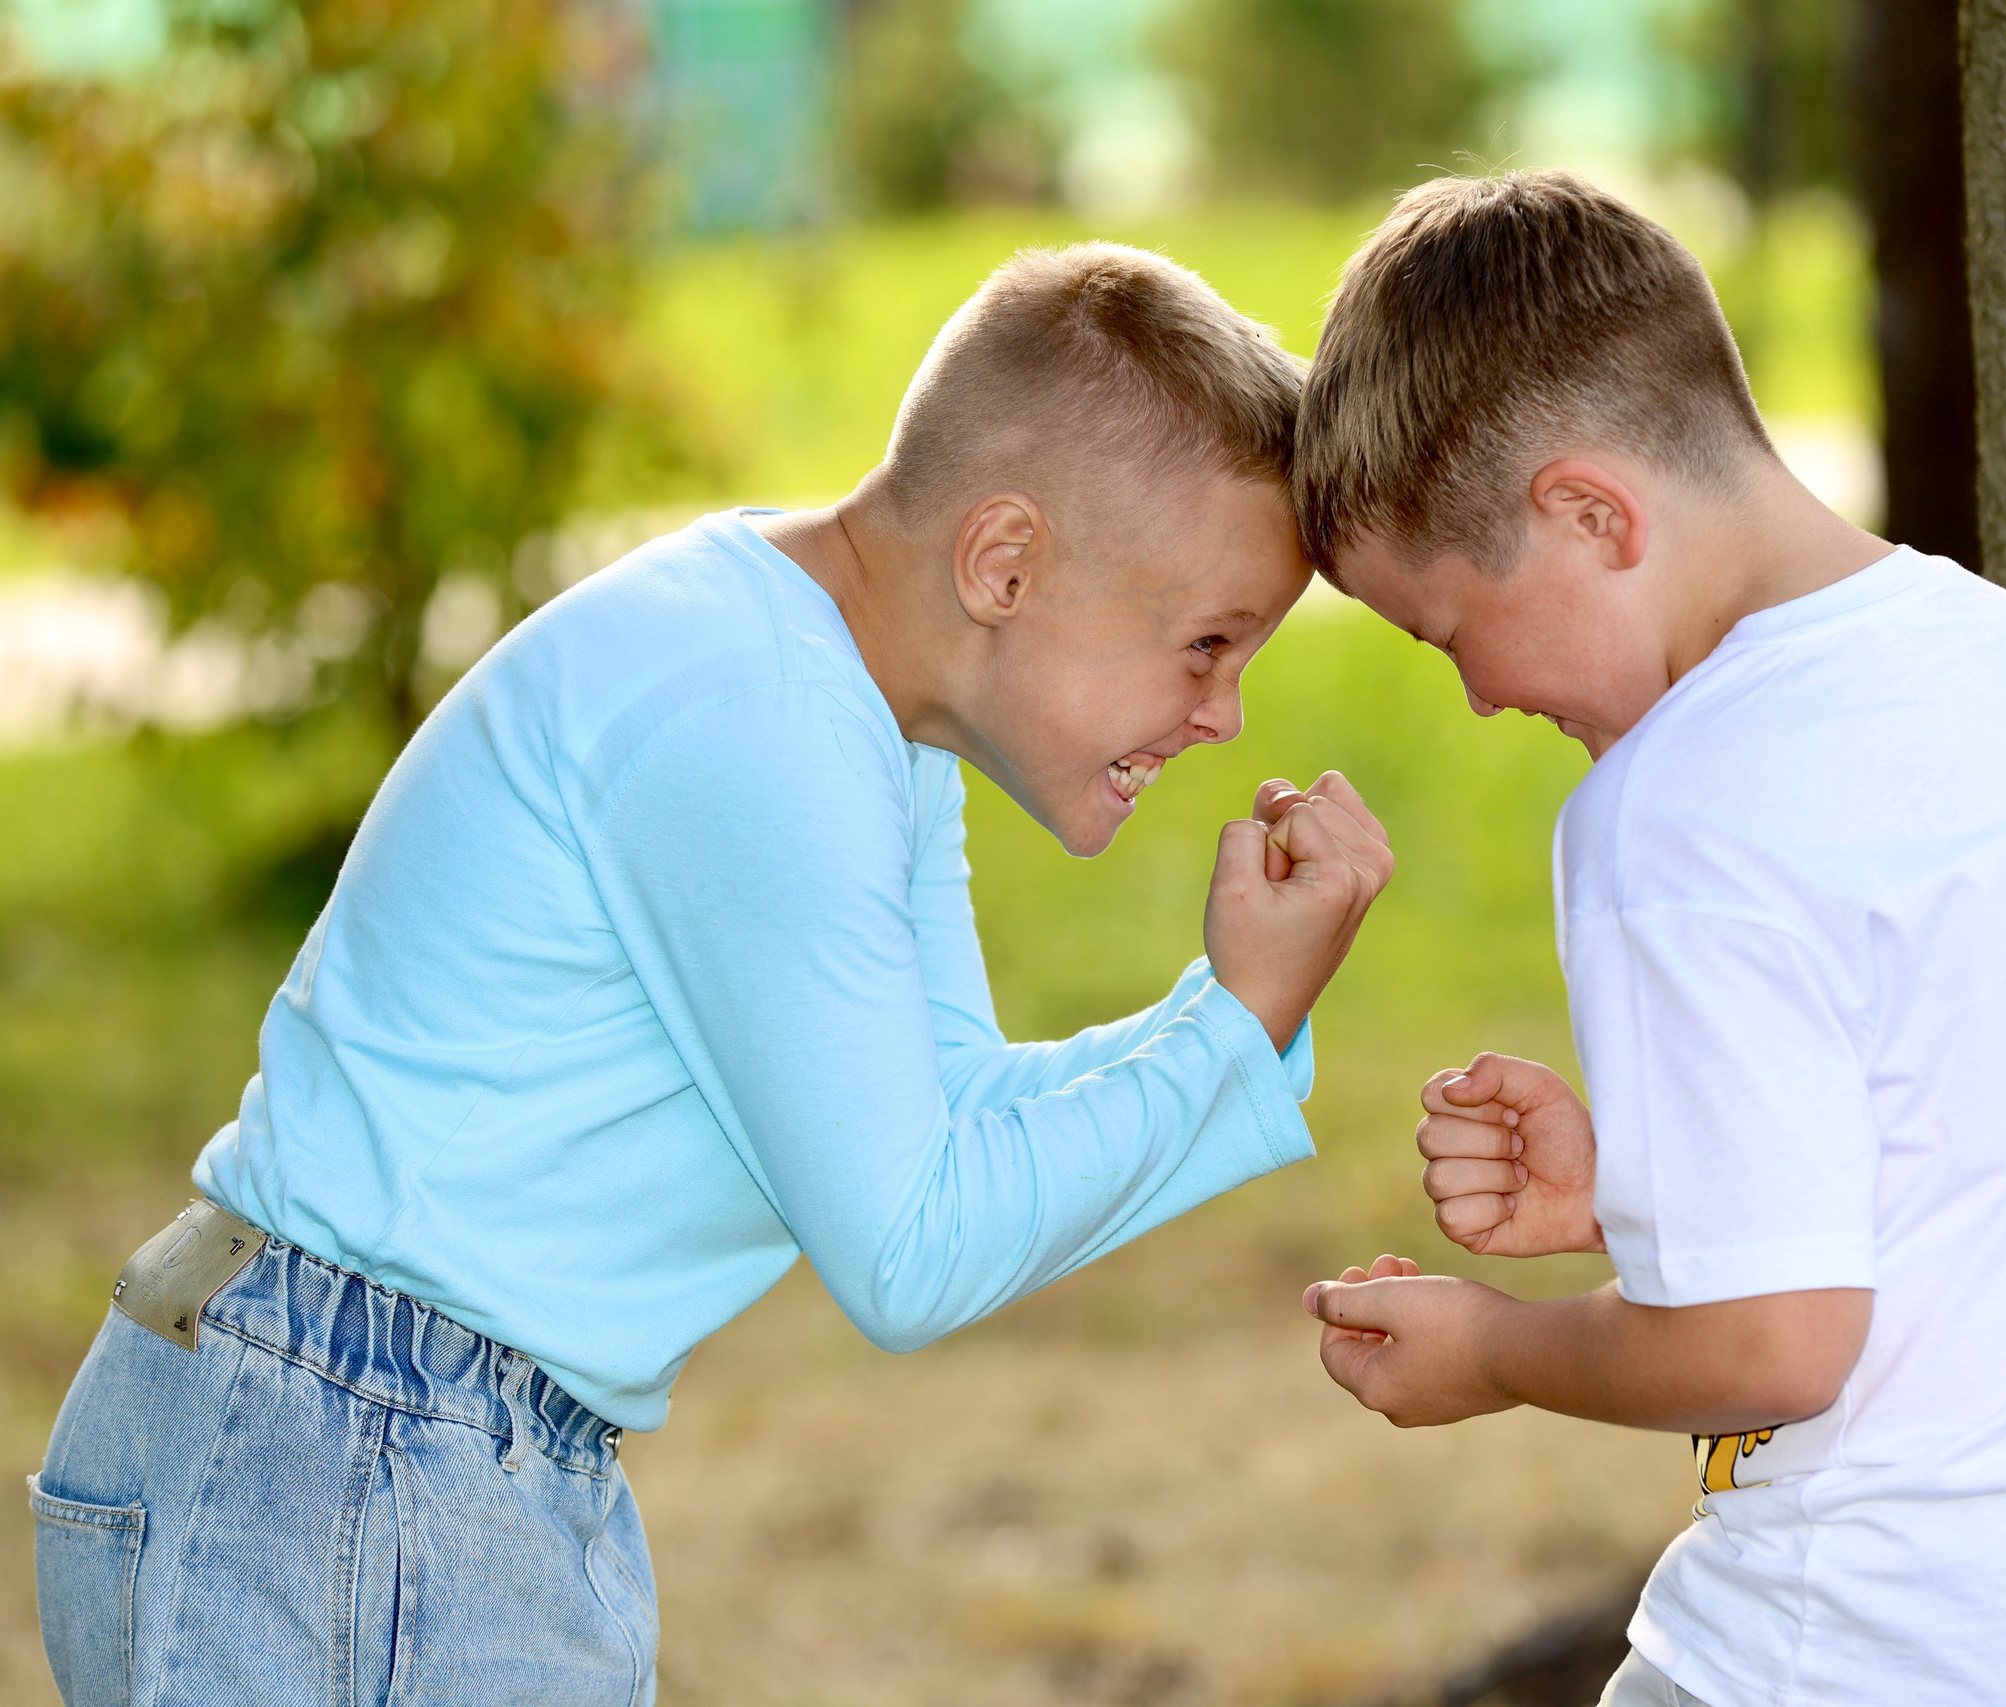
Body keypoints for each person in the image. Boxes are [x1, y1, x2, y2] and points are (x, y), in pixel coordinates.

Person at [30, 242, 1392, 1706]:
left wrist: (1242, 1018)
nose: (1224, 716)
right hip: (353, 1462)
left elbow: (950, 1124)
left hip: (389, 1438)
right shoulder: (759, 723)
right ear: (1004, 562)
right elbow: (913, 1250)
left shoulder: (851, 702)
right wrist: (1235, 1026)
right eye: (1206, 645)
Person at [1293, 171, 2006, 1707]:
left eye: (1451, 630)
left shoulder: (1673, 806)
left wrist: (1489, 1353)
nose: (1477, 696)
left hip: (1898, 1655)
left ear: (1591, 514)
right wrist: (1646, 1184)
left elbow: (1768, 1350)